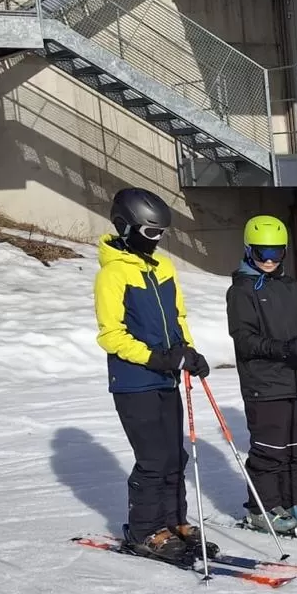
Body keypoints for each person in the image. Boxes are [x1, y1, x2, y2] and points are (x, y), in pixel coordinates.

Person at [94, 187, 211, 566]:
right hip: (134, 381)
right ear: (125, 227)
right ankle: (144, 530)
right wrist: (156, 358)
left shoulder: (164, 267)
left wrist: (187, 352)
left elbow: (178, 318)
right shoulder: (112, 275)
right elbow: (111, 335)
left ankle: (174, 521)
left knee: (175, 456)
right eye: (150, 233)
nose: (156, 240)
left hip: (166, 378)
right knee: (153, 459)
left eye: (161, 233)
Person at [226, 215, 297, 535]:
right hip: (263, 383)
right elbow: (245, 340)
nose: (269, 260)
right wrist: (284, 348)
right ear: (248, 250)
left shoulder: (290, 286)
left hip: (294, 379)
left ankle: (293, 500)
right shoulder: (241, 291)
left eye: (276, 253)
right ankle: (262, 508)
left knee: (295, 447)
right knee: (269, 450)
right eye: (262, 253)